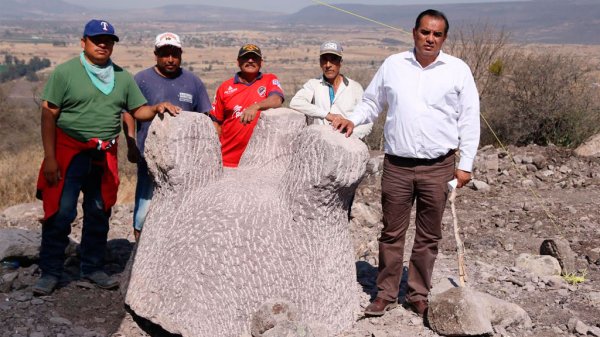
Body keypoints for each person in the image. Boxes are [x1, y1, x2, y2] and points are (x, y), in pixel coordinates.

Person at [333, 9, 480, 317]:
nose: (430, 38)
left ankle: (417, 294)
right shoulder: (393, 65)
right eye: (425, 32)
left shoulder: (457, 70)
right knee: (391, 232)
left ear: (444, 38)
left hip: (439, 166)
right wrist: (353, 120)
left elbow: (469, 119)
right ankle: (385, 293)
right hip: (397, 165)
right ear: (414, 33)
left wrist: (465, 164)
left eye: (437, 34)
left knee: (428, 236)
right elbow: (373, 102)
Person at [34, 19, 181, 296]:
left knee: (99, 211)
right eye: (96, 39)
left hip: (104, 154)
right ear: (83, 42)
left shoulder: (122, 77)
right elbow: (48, 115)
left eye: (108, 40)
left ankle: (91, 268)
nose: (103, 44)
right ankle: (50, 271)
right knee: (61, 212)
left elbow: (138, 111)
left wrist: (157, 107)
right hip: (69, 151)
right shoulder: (65, 73)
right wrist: (50, 157)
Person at [123, 32, 211, 241]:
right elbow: (128, 112)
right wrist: (131, 144)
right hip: (149, 158)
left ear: (181, 54)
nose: (170, 59)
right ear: (156, 55)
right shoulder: (142, 79)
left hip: (186, 162)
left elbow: (205, 117)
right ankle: (140, 253)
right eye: (164, 54)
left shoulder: (193, 82)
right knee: (144, 211)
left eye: (174, 54)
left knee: (184, 210)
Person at [210, 44, 284, 168]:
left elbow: (277, 99)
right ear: (238, 62)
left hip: (260, 160)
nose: (250, 61)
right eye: (246, 58)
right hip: (228, 160)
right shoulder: (225, 87)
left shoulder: (269, 80)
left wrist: (256, 106)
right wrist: (213, 154)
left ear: (261, 62)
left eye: (254, 58)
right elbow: (216, 122)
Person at [290, 40, 372, 140]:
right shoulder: (313, 84)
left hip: (347, 145)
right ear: (320, 63)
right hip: (320, 145)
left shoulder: (355, 87)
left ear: (340, 62)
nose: (328, 65)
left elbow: (367, 120)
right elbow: (295, 102)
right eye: (324, 60)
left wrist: (351, 135)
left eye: (333, 60)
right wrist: (327, 115)